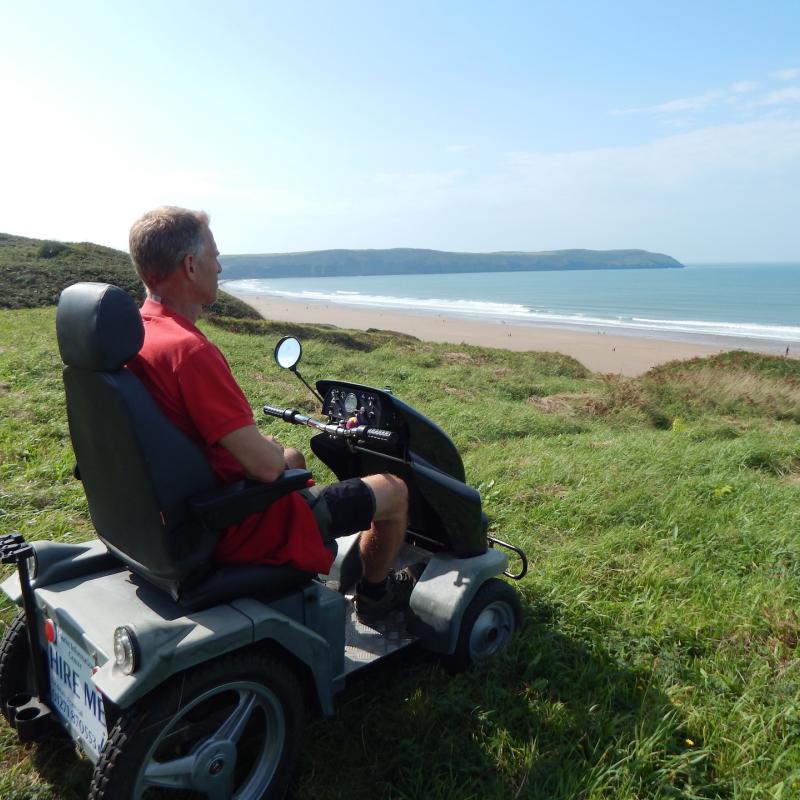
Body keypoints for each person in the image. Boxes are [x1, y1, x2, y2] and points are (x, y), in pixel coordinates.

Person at [127, 206, 418, 621]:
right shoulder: (188, 352)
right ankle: (375, 597)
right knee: (393, 488)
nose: (220, 266)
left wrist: (274, 451)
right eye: (214, 255)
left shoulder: (139, 334)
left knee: (294, 457)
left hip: (175, 503)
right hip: (227, 524)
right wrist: (269, 449)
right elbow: (264, 470)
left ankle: (305, 578)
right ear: (190, 266)